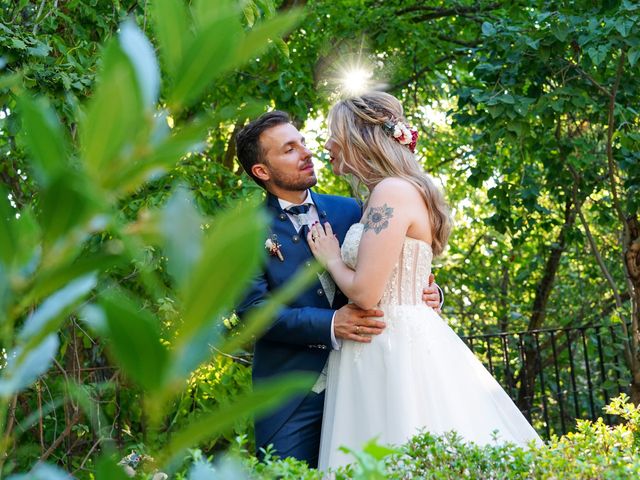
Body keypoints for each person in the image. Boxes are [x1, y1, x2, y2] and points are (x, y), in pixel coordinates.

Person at [306, 91, 542, 470]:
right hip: (391, 336)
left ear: (357, 138)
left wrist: (332, 258)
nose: (328, 144)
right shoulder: (388, 193)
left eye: (335, 133)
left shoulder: (391, 192)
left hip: (388, 344)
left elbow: (367, 292)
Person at [234, 111, 443, 468]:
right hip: (292, 396)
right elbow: (254, 311)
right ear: (262, 172)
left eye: (302, 141)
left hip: (370, 378)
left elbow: (393, 263)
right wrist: (331, 324)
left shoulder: (352, 208)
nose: (306, 152)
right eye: (289, 149)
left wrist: (431, 293)